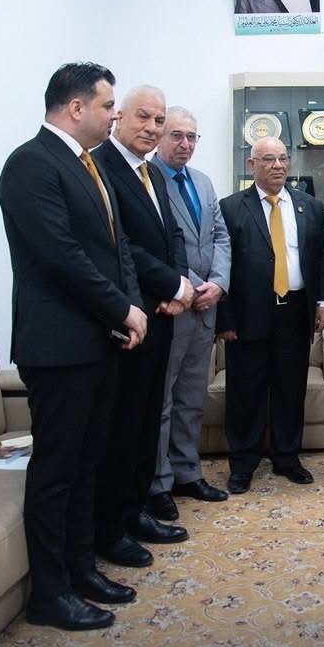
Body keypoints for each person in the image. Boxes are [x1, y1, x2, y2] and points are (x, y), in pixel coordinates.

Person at [0, 62, 147, 631]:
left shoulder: (88, 164)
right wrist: (122, 309)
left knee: (89, 465)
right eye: (109, 106)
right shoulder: (31, 164)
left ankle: (82, 570)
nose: (115, 115)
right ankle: (50, 592)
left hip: (97, 342)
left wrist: (128, 307)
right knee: (57, 471)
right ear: (76, 107)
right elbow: (63, 255)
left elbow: (116, 247)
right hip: (58, 347)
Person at [92, 86, 194, 568]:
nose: (152, 128)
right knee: (123, 428)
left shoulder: (151, 170)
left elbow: (172, 235)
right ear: (119, 118)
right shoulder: (101, 167)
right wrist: (172, 284)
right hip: (128, 321)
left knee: (146, 423)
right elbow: (122, 245)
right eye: (143, 117)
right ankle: (111, 529)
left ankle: (135, 513)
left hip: (163, 314)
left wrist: (179, 290)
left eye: (158, 120)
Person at [216, 137, 324, 494]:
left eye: (283, 158)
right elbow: (220, 265)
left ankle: (287, 457)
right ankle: (243, 463)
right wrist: (225, 319)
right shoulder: (230, 208)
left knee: (290, 388)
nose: (278, 166)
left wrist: (323, 302)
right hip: (248, 314)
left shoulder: (308, 205)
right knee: (245, 392)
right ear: (252, 165)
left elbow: (323, 258)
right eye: (269, 159)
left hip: (295, 312)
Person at [148, 106, 231, 518]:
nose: (185, 144)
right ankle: (158, 483)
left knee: (192, 398)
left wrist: (219, 283)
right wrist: (192, 286)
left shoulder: (202, 181)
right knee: (161, 401)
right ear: (160, 136)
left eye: (192, 137)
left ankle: (187, 473)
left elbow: (221, 237)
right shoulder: (146, 179)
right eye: (177, 135)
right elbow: (153, 246)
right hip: (171, 306)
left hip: (206, 307)